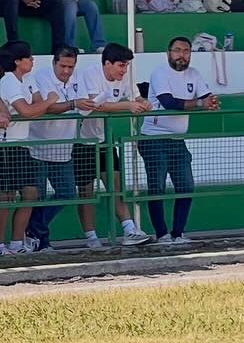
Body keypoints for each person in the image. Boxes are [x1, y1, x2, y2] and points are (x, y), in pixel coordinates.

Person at [138, 36, 218, 246]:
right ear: (168, 53)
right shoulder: (159, 73)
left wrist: (210, 101)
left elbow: (207, 96)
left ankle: (178, 233)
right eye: (178, 50)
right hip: (154, 137)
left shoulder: (195, 74)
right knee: (156, 188)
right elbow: (168, 102)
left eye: (186, 51)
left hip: (177, 139)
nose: (182, 55)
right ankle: (162, 234)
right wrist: (201, 103)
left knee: (186, 186)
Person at [77, 43, 151, 247]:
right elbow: (95, 105)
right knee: (86, 191)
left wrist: (144, 102)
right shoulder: (91, 74)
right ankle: (91, 237)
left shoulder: (125, 77)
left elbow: (136, 97)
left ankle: (129, 229)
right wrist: (128, 105)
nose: (123, 70)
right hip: (83, 142)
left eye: (126, 66)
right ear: (107, 63)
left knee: (116, 184)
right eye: (120, 65)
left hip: (106, 141)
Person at [27, 43, 86, 251]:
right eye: (62, 66)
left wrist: (86, 104)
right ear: (54, 62)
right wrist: (74, 104)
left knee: (67, 193)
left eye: (70, 67)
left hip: (64, 147)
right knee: (39, 197)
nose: (66, 71)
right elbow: (48, 108)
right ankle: (40, 241)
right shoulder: (41, 77)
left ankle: (34, 230)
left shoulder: (79, 78)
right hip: (38, 147)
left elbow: (86, 101)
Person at [0, 40, 49, 253]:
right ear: (17, 61)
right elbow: (27, 111)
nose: (32, 60)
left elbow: (36, 105)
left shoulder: (28, 79)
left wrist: (40, 106)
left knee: (30, 193)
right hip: (6, 144)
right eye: (28, 57)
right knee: (5, 196)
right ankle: (1, 244)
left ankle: (17, 242)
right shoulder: (8, 80)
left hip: (22, 145)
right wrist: (49, 102)